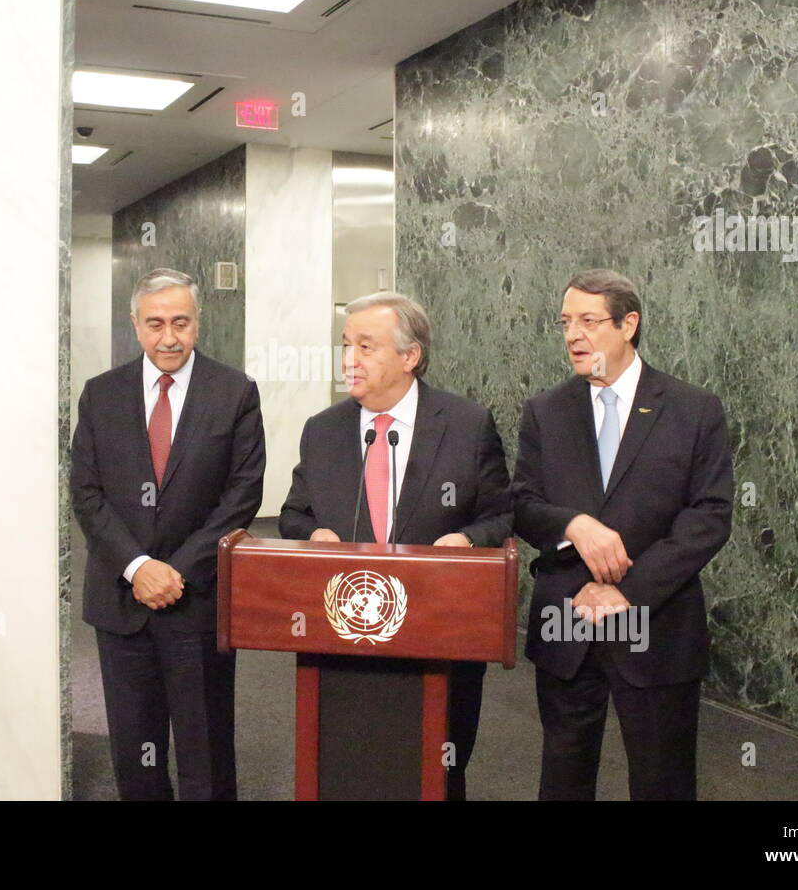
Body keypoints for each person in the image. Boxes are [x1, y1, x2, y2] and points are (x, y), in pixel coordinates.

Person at [511, 268, 733, 800]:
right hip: (566, 620)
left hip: (658, 623)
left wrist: (626, 592)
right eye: (566, 322)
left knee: (663, 779)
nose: (572, 335)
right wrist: (573, 525)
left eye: (589, 321)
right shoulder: (546, 411)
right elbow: (520, 503)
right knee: (563, 777)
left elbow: (708, 517)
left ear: (628, 323)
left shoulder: (693, 409)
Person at [279, 291, 511, 800]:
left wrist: (468, 539)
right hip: (344, 631)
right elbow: (296, 514)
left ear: (410, 357)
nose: (349, 360)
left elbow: (501, 513)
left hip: (440, 630)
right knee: (349, 760)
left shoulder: (467, 425)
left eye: (366, 346)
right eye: (346, 345)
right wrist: (314, 535)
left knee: (436, 766)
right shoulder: (324, 431)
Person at [70, 267, 264, 800]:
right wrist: (138, 568)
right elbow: (87, 494)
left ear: (198, 323)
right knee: (136, 751)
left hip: (196, 599)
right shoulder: (101, 395)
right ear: (135, 325)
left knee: (206, 750)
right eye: (155, 324)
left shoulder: (234, 393)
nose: (169, 337)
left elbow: (242, 497)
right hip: (121, 602)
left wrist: (175, 571)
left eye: (181, 322)